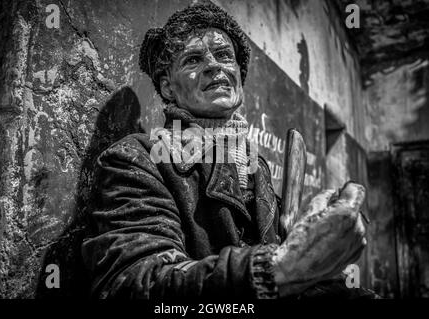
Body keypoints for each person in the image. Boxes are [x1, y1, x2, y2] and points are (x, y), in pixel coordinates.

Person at [82, 2, 375, 299]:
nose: (214, 66)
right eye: (193, 59)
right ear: (168, 87)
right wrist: (281, 269)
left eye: (224, 55)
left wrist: (322, 255)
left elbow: (300, 277)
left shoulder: (254, 166)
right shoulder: (137, 160)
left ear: (237, 74)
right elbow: (134, 282)